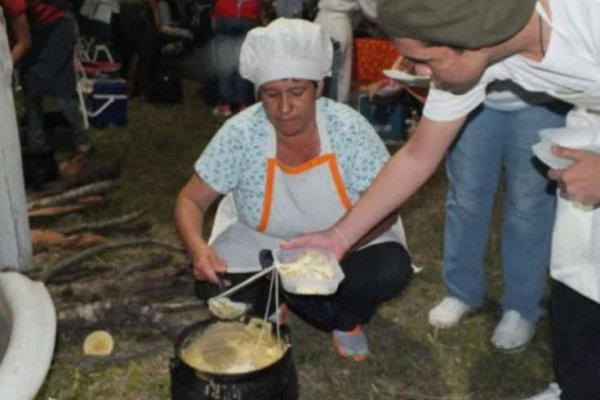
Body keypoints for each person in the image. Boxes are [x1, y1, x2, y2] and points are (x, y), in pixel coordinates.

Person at [282, 0, 600, 398]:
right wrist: (339, 237)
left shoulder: (588, 17)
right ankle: (577, 387)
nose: (418, 72)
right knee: (579, 264)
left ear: (469, 42)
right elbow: (418, 155)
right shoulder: (479, 53)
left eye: (423, 60)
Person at [174, 17, 413, 362]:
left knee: (391, 269)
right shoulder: (242, 133)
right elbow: (190, 200)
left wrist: (339, 244)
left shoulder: (348, 130)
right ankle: (282, 297)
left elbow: (385, 207)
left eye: (297, 92)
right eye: (271, 94)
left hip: (344, 244)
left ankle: (342, 320)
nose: (284, 109)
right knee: (213, 289)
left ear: (319, 86)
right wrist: (198, 250)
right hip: (264, 244)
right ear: (259, 93)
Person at [431, 84, 568, 352]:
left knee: (529, 209)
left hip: (542, 101)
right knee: (465, 201)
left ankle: (522, 306)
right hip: (472, 98)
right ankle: (461, 291)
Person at [21, 0, 92, 154]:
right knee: (31, 81)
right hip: (37, 26)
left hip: (59, 24)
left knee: (61, 86)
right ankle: (36, 140)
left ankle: (81, 138)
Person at [314, 0, 377, 103]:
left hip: (320, 23)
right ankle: (334, 110)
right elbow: (372, 11)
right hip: (338, 25)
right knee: (337, 77)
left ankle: (320, 108)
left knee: (321, 74)